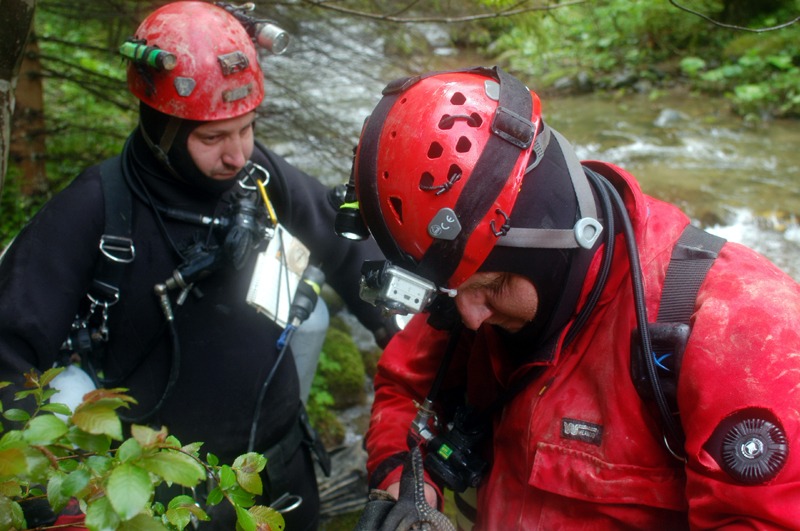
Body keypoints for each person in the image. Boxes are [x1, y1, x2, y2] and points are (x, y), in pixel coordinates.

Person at [342, 66, 800, 529]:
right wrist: (407, 485)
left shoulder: (741, 326)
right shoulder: (471, 282)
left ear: (554, 246)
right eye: (452, 292)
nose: (471, 317)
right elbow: (404, 388)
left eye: (492, 288)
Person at [0, 2, 391, 529]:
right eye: (213, 138)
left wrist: (410, 336)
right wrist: (51, 497)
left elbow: (347, 251)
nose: (237, 155)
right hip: (161, 502)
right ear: (161, 126)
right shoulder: (94, 211)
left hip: (280, 481)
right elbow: (7, 354)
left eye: (247, 128)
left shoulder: (259, 176)